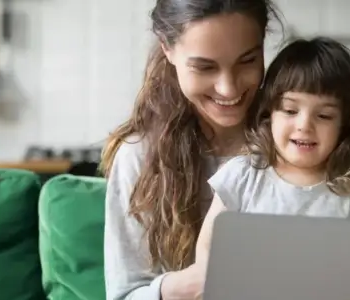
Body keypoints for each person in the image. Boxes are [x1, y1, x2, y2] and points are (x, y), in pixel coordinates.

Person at [99, 0, 281, 299]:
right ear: (167, 48)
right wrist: (182, 287)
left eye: (247, 61)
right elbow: (123, 295)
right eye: (205, 67)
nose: (229, 89)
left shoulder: (296, 142)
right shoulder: (138, 157)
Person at [194, 38, 350, 265]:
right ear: (269, 114)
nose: (304, 125)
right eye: (290, 110)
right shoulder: (241, 176)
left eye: (324, 116)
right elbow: (208, 250)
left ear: (345, 124)